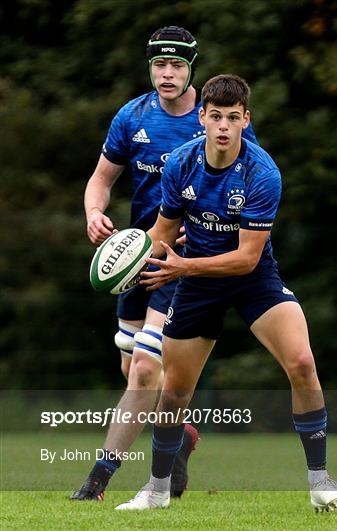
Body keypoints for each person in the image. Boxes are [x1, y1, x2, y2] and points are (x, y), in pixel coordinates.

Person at [114, 74, 337, 513]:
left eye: (233, 117)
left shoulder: (263, 173)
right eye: (216, 116)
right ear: (202, 118)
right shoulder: (181, 165)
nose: (223, 126)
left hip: (253, 279)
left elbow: (245, 258)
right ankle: (156, 490)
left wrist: (183, 266)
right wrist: (126, 257)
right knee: (174, 395)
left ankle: (320, 481)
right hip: (198, 287)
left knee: (302, 362)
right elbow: (163, 232)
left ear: (246, 120)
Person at [71, 28, 258, 501]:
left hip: (184, 261)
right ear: (150, 67)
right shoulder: (132, 117)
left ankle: (97, 480)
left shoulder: (214, 117)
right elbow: (100, 180)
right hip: (138, 254)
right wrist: (95, 213)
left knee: (144, 373)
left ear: (192, 68)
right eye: (160, 66)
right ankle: (179, 437)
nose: (167, 74)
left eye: (177, 66)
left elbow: (248, 182)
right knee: (130, 366)